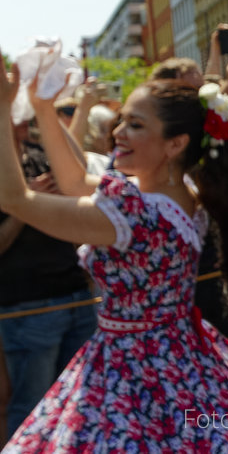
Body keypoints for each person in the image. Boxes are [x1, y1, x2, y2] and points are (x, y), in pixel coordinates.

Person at [0, 63, 228, 452]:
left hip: (132, 368)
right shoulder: (183, 194)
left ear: (175, 144)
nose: (118, 133)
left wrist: (4, 109)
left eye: (136, 125)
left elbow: (13, 198)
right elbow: (75, 183)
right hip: (181, 352)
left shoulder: (132, 213)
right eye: (122, 121)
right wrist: (42, 108)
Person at [0, 119, 96, 440]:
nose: (24, 117)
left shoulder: (40, 154)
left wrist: (47, 108)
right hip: (29, 309)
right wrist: (25, 204)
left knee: (83, 399)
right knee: (32, 406)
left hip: (77, 298)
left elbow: (80, 175)